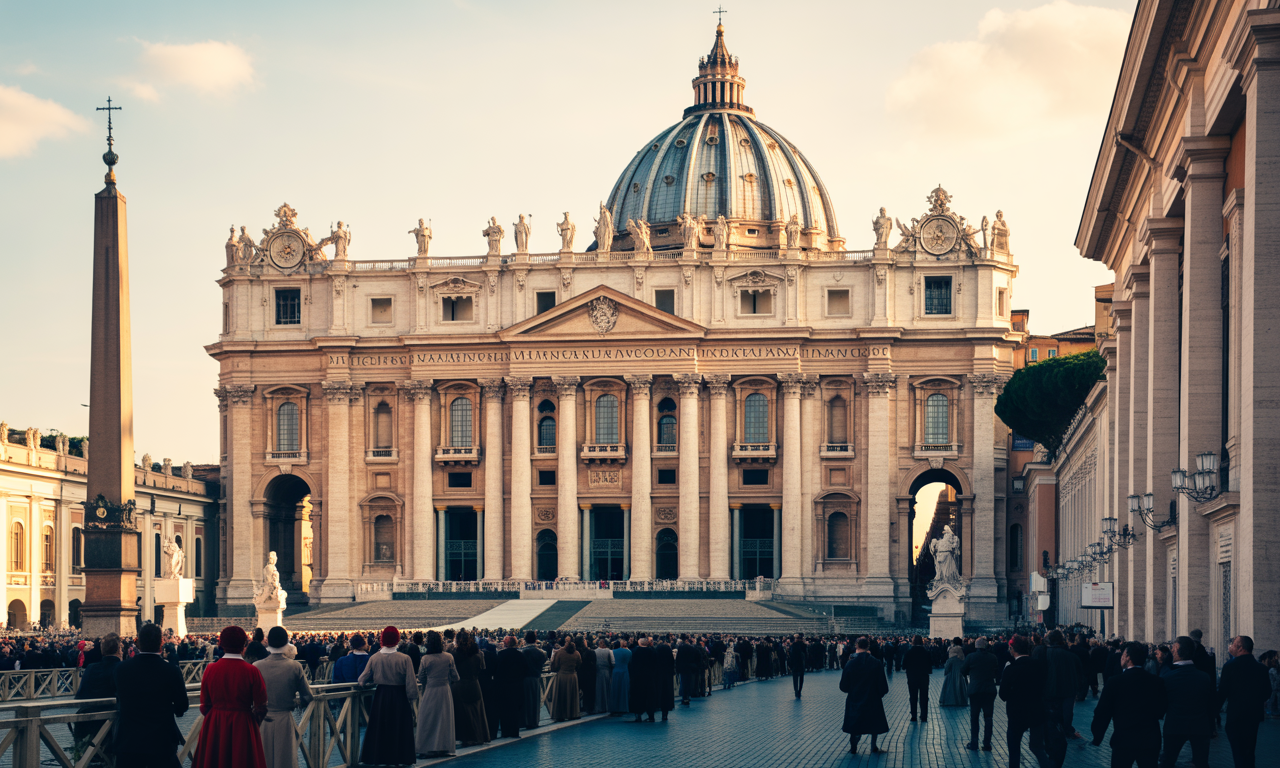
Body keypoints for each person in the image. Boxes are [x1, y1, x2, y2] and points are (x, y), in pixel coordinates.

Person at [193, 626, 268, 768]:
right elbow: (261, 707)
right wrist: (252, 724)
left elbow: (204, 705)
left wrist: (215, 717)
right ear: (244, 645)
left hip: (215, 723)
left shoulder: (210, 669)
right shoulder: (252, 671)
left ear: (221, 644)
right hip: (243, 723)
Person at [1091, 641, 1167, 768]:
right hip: (1150, 739)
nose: (1121, 657)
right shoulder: (1157, 681)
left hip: (1123, 740)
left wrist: (1097, 736)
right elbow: (1162, 708)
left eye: (1123, 654)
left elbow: (1102, 712)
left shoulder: (1115, 682)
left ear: (1128, 657)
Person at [357, 626, 417, 766]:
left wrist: (367, 685)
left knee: (381, 728)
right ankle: (401, 758)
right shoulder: (405, 658)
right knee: (399, 727)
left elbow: (362, 679)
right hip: (399, 696)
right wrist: (412, 699)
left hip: (381, 696)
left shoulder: (374, 657)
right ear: (397, 639)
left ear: (382, 639)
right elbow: (411, 683)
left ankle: (379, 758)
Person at [254, 626, 313, 768]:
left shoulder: (256, 666)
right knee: (285, 758)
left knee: (262, 757)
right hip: (285, 718)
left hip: (261, 719)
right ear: (287, 643)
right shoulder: (295, 666)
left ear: (268, 642)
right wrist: (298, 702)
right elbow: (307, 696)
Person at [1217, 634, 1271, 768]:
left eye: (1233, 644)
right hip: (1254, 715)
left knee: (1238, 752)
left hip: (1236, 715)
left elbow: (1223, 692)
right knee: (1249, 751)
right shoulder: (1262, 668)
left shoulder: (1230, 666)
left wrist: (1213, 711)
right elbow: (1267, 692)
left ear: (1240, 647)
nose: (1231, 646)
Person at [1000, 634, 1052, 768]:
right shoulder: (1039, 665)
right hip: (1036, 711)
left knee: (1014, 749)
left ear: (1012, 649)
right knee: (1038, 748)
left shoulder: (1010, 668)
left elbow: (1003, 695)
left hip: (1016, 713)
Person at [1160, 636, 1212, 768]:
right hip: (1200, 727)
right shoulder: (1204, 678)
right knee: (1201, 763)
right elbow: (1212, 704)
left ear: (1176, 649)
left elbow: (1161, 706)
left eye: (1172, 647)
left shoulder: (1167, 677)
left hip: (1174, 726)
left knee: (1167, 762)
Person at [72, 632, 122, 763]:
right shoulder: (122, 668)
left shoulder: (90, 668)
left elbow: (80, 695)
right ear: (119, 650)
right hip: (111, 725)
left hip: (87, 723)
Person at [840, 637, 889, 755]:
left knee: (855, 724)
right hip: (873, 698)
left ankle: (854, 746)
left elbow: (843, 686)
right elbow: (883, 685)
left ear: (856, 646)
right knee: (874, 723)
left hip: (855, 698)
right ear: (868, 647)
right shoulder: (876, 663)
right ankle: (873, 746)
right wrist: (878, 694)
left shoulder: (850, 664)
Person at [415, 630, 459, 757]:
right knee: (444, 720)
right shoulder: (448, 657)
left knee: (428, 719)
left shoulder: (425, 658)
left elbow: (421, 677)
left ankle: (426, 747)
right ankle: (443, 747)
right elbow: (455, 676)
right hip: (445, 690)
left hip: (430, 690)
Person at [451, 630, 491, 745]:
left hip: (459, 686)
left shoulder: (454, 654)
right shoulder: (479, 654)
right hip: (474, 684)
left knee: (462, 714)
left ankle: (466, 738)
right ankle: (479, 736)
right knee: (477, 712)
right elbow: (482, 668)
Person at [962, 636, 1000, 751]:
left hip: (975, 690)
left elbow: (963, 670)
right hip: (989, 690)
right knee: (988, 717)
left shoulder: (971, 657)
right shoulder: (993, 657)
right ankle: (987, 743)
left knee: (974, 717)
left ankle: (974, 743)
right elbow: (996, 671)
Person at [493, 636, 527, 738]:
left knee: (504, 709)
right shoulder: (520, 655)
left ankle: (505, 731)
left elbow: (497, 671)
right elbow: (525, 670)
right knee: (515, 709)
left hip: (504, 685)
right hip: (517, 685)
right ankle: (514, 731)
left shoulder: (501, 654)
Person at [548, 637, 582, 722]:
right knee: (572, 696)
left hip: (562, 676)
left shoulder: (559, 653)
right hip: (572, 676)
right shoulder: (577, 653)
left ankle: (560, 715)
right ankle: (572, 714)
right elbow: (579, 665)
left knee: (561, 696)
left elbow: (555, 666)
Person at [519, 630, 547, 729]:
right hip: (536, 678)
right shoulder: (542, 653)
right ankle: (534, 721)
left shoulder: (522, 653)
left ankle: (525, 721)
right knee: (535, 701)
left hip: (525, 679)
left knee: (526, 701)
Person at [903, 635, 932, 723]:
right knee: (924, 696)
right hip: (924, 677)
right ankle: (924, 715)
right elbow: (930, 665)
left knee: (913, 696)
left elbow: (904, 665)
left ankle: (914, 715)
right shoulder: (926, 652)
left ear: (913, 642)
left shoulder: (909, 652)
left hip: (912, 677)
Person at [653, 634, 675, 719]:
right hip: (668, 675)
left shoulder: (657, 649)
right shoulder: (668, 650)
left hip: (658, 675)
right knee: (667, 694)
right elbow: (672, 662)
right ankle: (665, 713)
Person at [939, 642, 968, 707]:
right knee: (960, 688)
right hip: (959, 676)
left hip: (950, 676)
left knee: (950, 688)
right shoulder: (961, 660)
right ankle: (960, 701)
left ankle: (950, 701)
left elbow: (947, 669)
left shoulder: (950, 660)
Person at [610, 638, 632, 713]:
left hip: (615, 671)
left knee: (615, 690)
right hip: (625, 671)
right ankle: (624, 707)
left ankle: (614, 707)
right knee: (624, 690)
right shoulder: (628, 652)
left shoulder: (612, 652)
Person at [676, 634, 699, 705]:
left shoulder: (681, 648)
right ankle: (687, 697)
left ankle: (684, 697)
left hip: (683, 668)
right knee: (689, 683)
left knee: (683, 683)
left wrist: (677, 668)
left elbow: (678, 659)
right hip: (690, 667)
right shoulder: (692, 648)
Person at [593, 637, 613, 713]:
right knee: (607, 689)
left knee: (599, 690)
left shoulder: (594, 651)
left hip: (598, 672)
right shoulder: (609, 651)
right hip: (607, 672)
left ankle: (599, 706)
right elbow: (612, 662)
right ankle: (607, 706)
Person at [789, 633, 808, 699]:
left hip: (794, 664)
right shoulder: (804, 645)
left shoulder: (793, 645)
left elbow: (790, 656)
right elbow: (806, 655)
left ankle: (796, 691)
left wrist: (790, 665)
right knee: (801, 678)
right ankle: (799, 690)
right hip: (801, 664)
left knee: (795, 679)